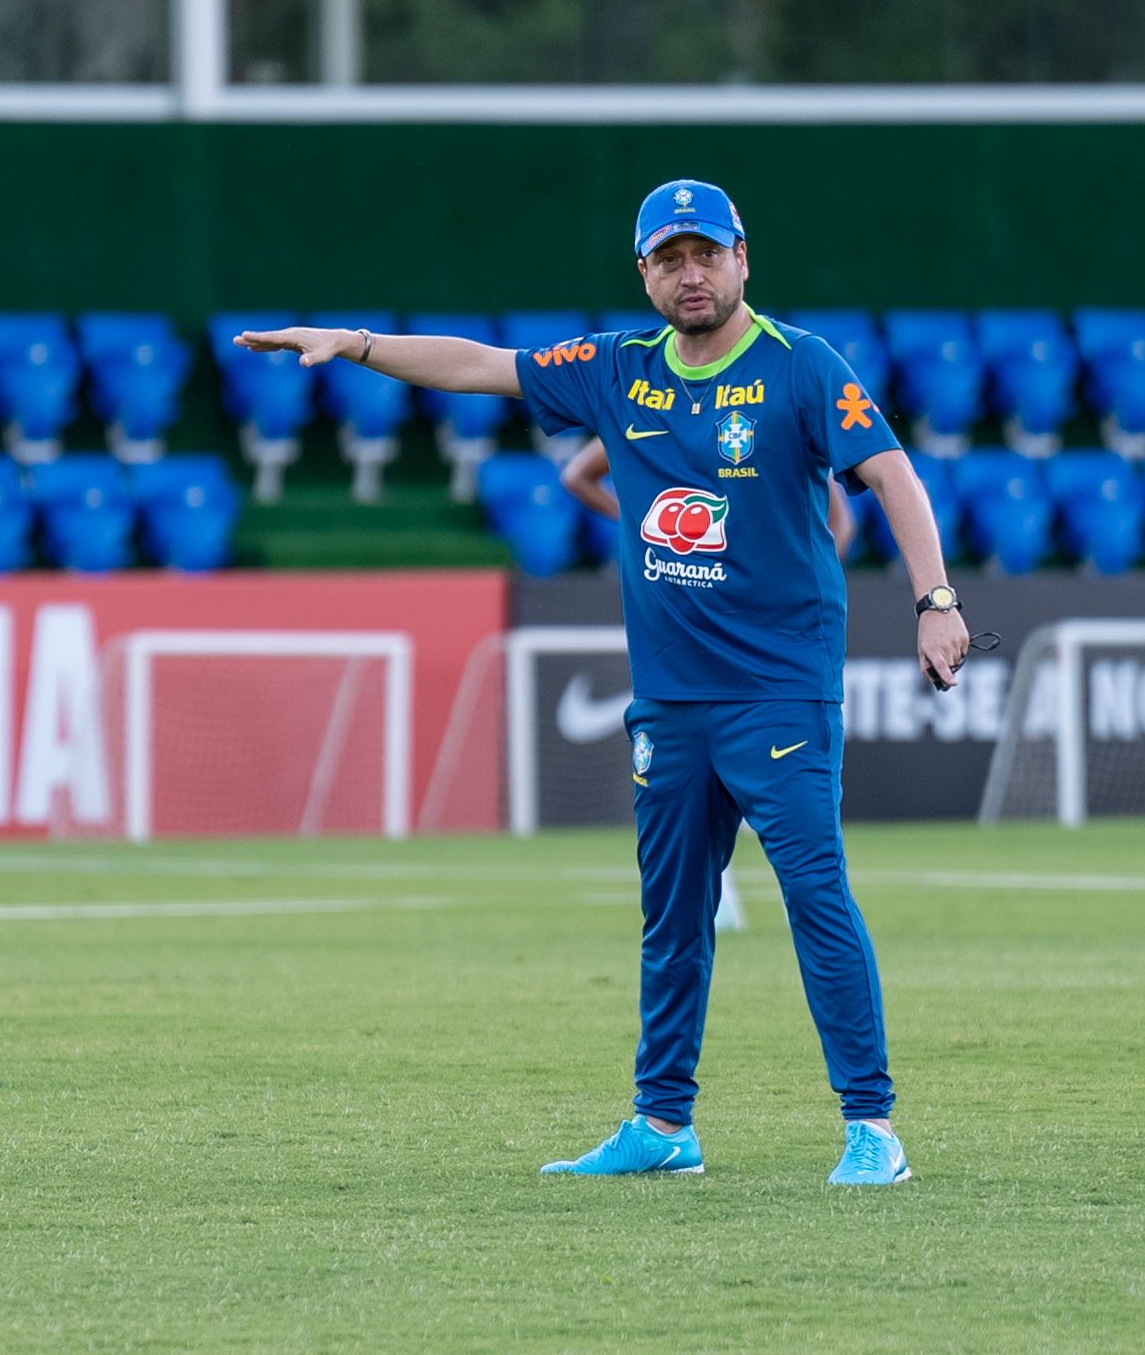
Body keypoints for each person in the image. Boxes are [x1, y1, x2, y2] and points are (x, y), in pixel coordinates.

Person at [236, 179, 969, 1184]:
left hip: (780, 693)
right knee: (671, 915)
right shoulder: (617, 369)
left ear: (742, 258)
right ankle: (662, 1124)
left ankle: (870, 1126)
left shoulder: (802, 367)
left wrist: (934, 602)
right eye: (669, 259)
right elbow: (479, 366)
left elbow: (890, 474)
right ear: (643, 274)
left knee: (814, 897)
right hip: (669, 700)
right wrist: (356, 343)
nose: (690, 274)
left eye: (705, 254)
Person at [561, 438, 857, 934]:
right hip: (701, 631)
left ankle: (775, 896)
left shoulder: (762, 422)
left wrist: (812, 576)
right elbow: (577, 476)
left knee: (749, 785)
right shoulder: (644, 403)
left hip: (751, 641)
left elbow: (840, 518)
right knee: (703, 777)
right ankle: (729, 893)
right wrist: (640, 526)